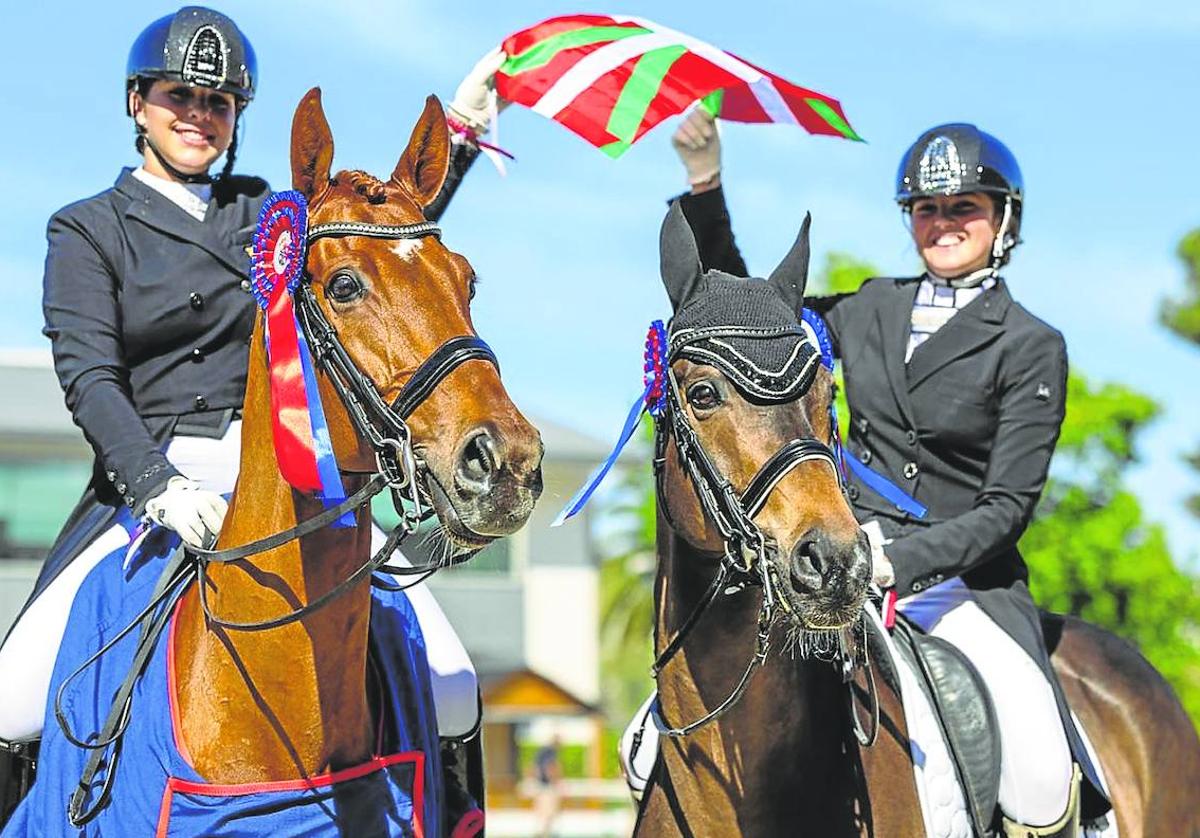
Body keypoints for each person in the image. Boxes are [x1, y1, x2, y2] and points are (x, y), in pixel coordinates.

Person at [0, 7, 496, 820]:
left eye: (218, 102)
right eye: (178, 96)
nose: (197, 115)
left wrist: (462, 145)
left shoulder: (268, 216)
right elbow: (90, 377)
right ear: (138, 104)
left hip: (290, 472)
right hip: (149, 489)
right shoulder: (88, 229)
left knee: (451, 682)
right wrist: (157, 484)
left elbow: (375, 258)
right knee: (14, 696)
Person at [648, 108, 1108, 836]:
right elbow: (752, 318)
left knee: (1040, 773)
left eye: (965, 207)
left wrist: (897, 560)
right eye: (927, 208)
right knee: (662, 731)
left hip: (960, 585)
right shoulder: (868, 307)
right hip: (831, 550)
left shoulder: (1030, 346)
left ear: (1003, 219)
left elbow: (1006, 507)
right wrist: (707, 186)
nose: (944, 222)